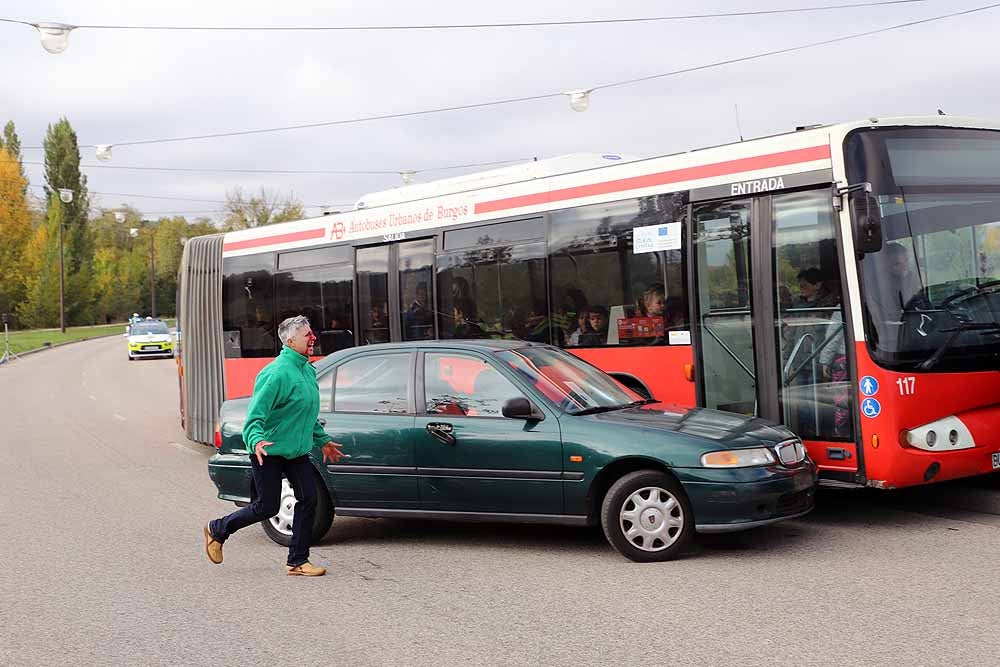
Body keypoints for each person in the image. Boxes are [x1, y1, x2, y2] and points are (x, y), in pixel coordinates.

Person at [204, 315, 346, 576]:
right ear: (290, 341)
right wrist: (256, 440)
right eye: (307, 335)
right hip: (268, 450)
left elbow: (304, 414)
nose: (313, 338)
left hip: (296, 451)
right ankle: (218, 529)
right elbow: (255, 416)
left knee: (309, 499)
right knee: (266, 507)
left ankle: (297, 561)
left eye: (311, 333)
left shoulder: (306, 369)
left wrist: (323, 440)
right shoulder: (276, 373)